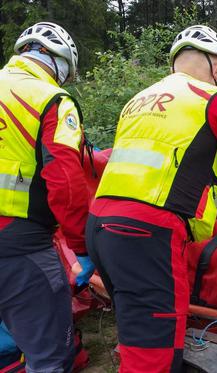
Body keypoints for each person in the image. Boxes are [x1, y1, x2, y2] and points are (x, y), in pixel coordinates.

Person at [85, 25, 217, 372]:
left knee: (137, 334)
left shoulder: (138, 101)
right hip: (145, 235)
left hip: (101, 227)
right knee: (154, 357)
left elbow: (155, 177)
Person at [0, 22, 94, 372]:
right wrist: (82, 248)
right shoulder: (50, 98)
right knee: (49, 356)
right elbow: (66, 184)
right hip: (17, 244)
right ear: (61, 63)